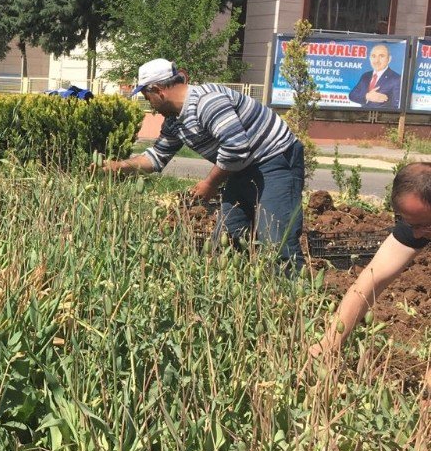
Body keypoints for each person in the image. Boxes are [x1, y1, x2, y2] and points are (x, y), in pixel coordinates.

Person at [103, 58, 305, 269]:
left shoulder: (207, 102)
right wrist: (120, 166)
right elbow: (156, 157)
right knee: (228, 238)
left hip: (275, 160)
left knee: (277, 243)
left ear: (158, 90)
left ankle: (295, 295)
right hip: (240, 168)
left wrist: (209, 183)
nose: (149, 104)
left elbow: (237, 147)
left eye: (147, 96)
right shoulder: (175, 121)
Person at [310, 163, 431, 361]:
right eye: (411, 224)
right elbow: (370, 280)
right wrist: (328, 345)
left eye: (424, 225)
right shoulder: (419, 220)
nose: (417, 233)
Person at [347, 44, 401, 110]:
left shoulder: (396, 79)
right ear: (370, 58)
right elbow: (352, 95)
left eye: (381, 56)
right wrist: (367, 96)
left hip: (381, 118)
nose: (376, 61)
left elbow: (397, 106)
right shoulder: (366, 76)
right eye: (373, 56)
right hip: (361, 117)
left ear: (389, 59)